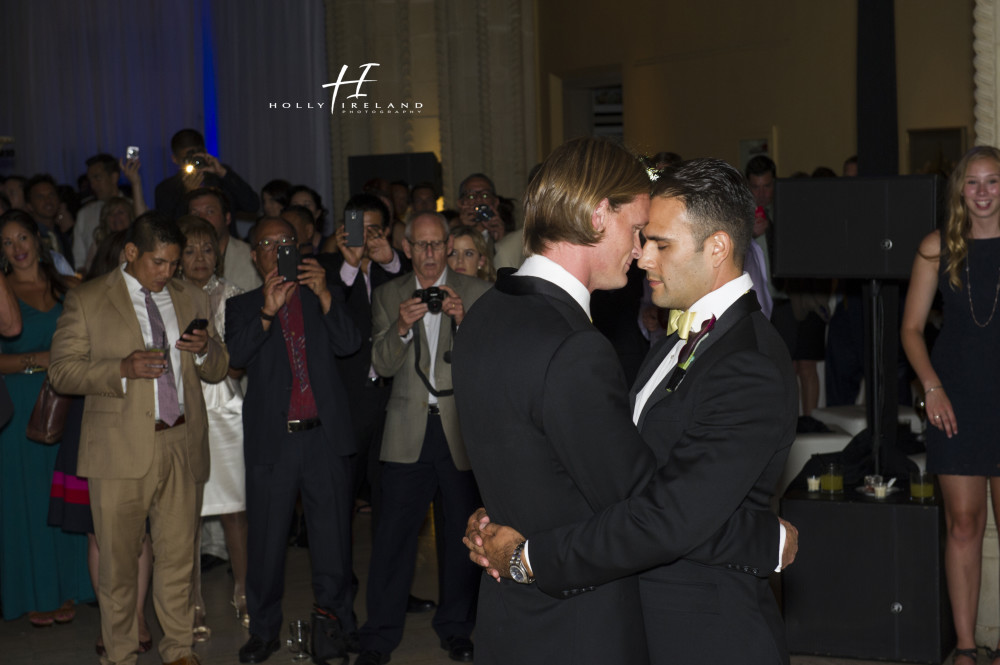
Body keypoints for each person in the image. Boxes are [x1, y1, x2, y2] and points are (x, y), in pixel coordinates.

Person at [453, 140, 796, 665]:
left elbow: (660, 513)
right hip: (589, 623)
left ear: (719, 248)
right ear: (597, 217)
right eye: (641, 236)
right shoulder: (594, 342)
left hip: (705, 634)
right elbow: (628, 488)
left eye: (660, 243)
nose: (642, 256)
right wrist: (763, 541)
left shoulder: (486, 314)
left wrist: (525, 551)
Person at [50, 211, 229, 665]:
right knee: (118, 566)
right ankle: (121, 653)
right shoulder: (88, 299)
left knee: (178, 559)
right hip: (119, 449)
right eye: (159, 262)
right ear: (131, 253)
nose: (169, 272)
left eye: (174, 262)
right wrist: (121, 370)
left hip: (181, 442)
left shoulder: (189, 297)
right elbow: (61, 372)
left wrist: (207, 349)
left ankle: (179, 649)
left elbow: (219, 367)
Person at [355, 212, 490, 665]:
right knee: (393, 540)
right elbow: (382, 366)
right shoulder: (390, 293)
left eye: (438, 245)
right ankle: (379, 634)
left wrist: (464, 320)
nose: (431, 255)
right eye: (422, 245)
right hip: (406, 434)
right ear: (407, 248)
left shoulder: (476, 293)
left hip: (459, 434)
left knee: (461, 537)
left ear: (448, 246)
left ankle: (457, 629)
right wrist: (400, 327)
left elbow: (493, 364)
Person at [225, 217, 360, 665]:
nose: (280, 249)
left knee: (333, 542)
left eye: (287, 242)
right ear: (254, 253)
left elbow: (349, 344)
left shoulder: (321, 293)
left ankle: (334, 627)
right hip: (273, 442)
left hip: (323, 438)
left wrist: (324, 296)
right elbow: (237, 357)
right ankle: (263, 632)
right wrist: (266, 311)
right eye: (269, 243)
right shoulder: (244, 306)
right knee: (266, 544)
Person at [900, 145, 1000, 665]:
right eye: (973, 183)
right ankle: (965, 649)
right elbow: (911, 329)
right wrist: (931, 387)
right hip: (953, 398)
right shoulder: (937, 247)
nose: (983, 193)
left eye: (993, 182)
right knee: (963, 525)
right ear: (959, 190)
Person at [0, 210, 91, 626]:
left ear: (39, 240)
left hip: (66, 403)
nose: (16, 248)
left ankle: (71, 586)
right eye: (6, 242)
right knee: (27, 500)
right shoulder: (2, 292)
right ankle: (35, 592)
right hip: (20, 409)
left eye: (22, 238)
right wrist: (38, 360)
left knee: (67, 493)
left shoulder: (69, 287)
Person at [176, 216, 250, 637]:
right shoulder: (167, 297)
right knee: (184, 512)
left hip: (225, 406)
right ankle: (192, 598)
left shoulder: (234, 296)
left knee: (234, 508)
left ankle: (243, 590)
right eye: (189, 250)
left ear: (218, 253)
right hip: (184, 408)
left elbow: (239, 361)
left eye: (206, 249)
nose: (199, 258)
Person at [154, 128, 259, 219]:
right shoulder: (166, 189)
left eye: (197, 158)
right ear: (175, 159)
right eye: (187, 160)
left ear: (204, 152)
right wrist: (187, 195)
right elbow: (169, 228)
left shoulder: (221, 178)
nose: (194, 163)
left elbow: (252, 206)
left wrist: (224, 173)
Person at [186, 186, 262, 293]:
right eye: (195, 214)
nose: (202, 218)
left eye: (210, 212)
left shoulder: (249, 256)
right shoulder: (182, 259)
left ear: (227, 218)